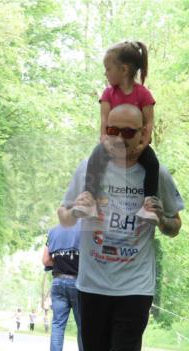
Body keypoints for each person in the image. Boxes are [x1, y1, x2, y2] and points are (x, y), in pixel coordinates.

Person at [58, 103, 184, 351]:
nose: (120, 139)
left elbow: (175, 226)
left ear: (144, 134)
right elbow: (63, 216)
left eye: (129, 132)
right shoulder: (89, 168)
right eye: (113, 130)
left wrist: (161, 216)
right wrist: (77, 210)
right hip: (92, 283)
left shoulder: (155, 173)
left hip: (134, 286)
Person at [71, 41, 161, 224]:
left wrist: (143, 143)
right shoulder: (108, 94)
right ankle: (89, 197)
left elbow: (149, 121)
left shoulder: (143, 94)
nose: (106, 73)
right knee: (96, 157)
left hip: (134, 144)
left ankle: (149, 204)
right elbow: (104, 120)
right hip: (111, 142)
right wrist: (104, 139)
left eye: (108, 69)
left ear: (124, 70)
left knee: (152, 163)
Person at [43, 219, 85, 351]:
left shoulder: (53, 231)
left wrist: (60, 261)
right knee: (84, 327)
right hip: (78, 283)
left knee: (58, 326)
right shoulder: (85, 230)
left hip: (58, 282)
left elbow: (46, 260)